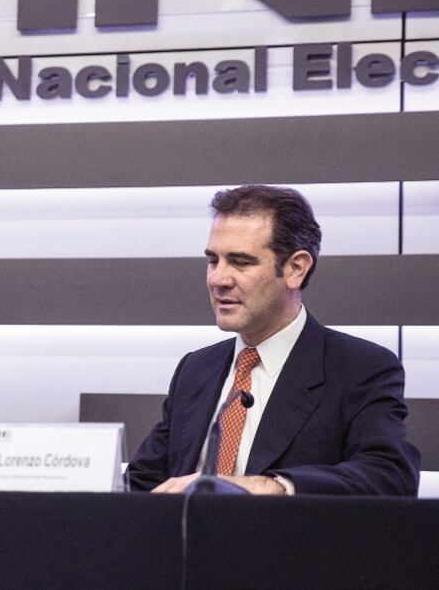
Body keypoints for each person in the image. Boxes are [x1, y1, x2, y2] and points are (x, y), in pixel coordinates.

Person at [127, 185, 419, 496]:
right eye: (213, 260)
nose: (218, 279)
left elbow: (390, 475)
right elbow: (142, 481)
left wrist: (272, 487)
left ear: (295, 268)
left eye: (241, 262)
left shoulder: (360, 367)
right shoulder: (196, 368)